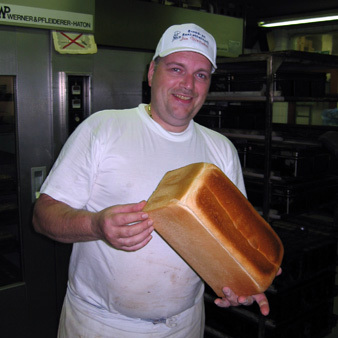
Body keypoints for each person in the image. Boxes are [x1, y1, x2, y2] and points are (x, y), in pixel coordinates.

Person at [33, 23, 275, 338]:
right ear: (151, 73)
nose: (188, 85)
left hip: (184, 325)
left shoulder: (221, 150)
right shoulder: (104, 129)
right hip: (102, 325)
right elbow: (42, 216)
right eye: (176, 69)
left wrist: (239, 282)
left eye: (201, 75)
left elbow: (230, 242)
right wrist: (96, 226)